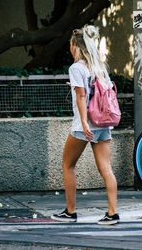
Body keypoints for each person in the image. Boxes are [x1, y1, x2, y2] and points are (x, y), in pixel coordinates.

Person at [51, 25, 119, 225]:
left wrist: (83, 123)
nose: (70, 49)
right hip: (103, 124)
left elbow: (81, 96)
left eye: (71, 45)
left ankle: (70, 212)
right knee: (106, 168)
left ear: (76, 47)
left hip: (85, 126)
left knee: (68, 165)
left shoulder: (76, 68)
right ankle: (112, 213)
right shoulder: (100, 68)